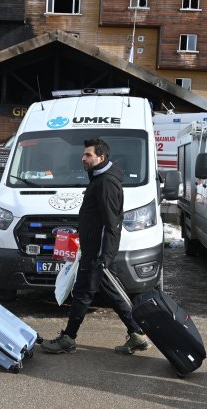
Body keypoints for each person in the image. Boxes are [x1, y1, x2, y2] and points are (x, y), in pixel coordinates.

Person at [42, 138, 149, 355]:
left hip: (98, 253)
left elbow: (112, 223)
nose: (83, 158)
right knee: (111, 293)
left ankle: (68, 339)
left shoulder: (106, 182)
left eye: (88, 155)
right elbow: (96, 218)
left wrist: (104, 256)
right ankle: (136, 334)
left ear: (101, 157)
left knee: (83, 293)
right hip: (94, 250)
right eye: (84, 154)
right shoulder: (99, 178)